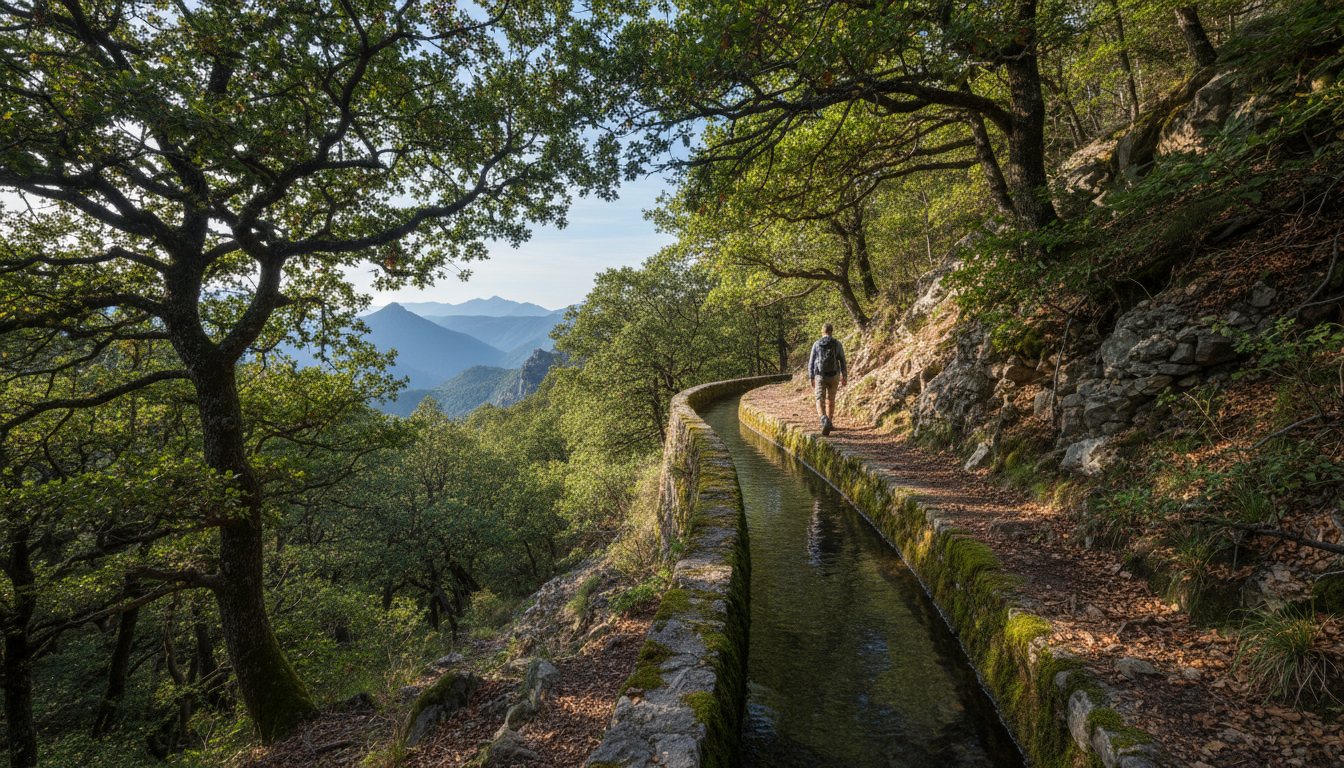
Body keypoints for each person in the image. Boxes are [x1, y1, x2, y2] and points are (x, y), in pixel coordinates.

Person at [808, 322, 847, 435]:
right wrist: (844, 376)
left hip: (820, 375)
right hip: (834, 375)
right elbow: (842, 360)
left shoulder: (816, 344)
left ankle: (824, 420)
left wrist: (811, 377)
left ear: (822, 331)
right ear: (832, 331)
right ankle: (829, 422)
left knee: (819, 398)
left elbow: (811, 362)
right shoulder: (837, 343)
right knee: (831, 398)